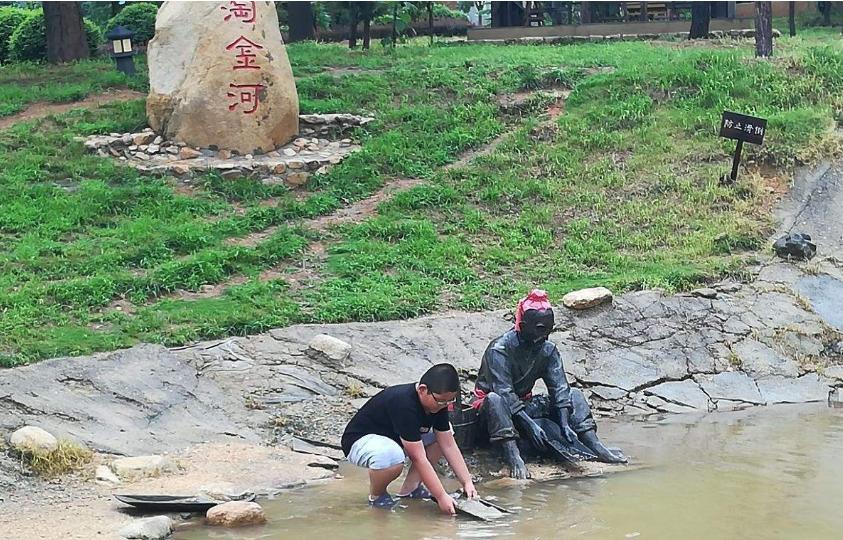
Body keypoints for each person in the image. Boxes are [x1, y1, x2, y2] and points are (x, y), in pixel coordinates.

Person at [473, 289, 626, 479]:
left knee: (574, 395)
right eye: (538, 329)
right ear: (522, 325)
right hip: (494, 413)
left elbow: (559, 388)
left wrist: (564, 423)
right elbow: (504, 392)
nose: (542, 336)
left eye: (547, 329)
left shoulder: (548, 350)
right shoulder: (499, 350)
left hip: (524, 406)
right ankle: (513, 456)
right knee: (495, 399)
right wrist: (530, 426)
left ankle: (594, 445)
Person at [341, 363, 478, 514]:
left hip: (395, 440)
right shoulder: (404, 403)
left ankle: (410, 489)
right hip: (360, 442)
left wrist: (467, 482)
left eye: (449, 401)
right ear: (422, 390)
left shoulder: (439, 404)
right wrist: (441, 496)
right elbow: (418, 457)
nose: (444, 405)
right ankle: (377, 495)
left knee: (447, 433)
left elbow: (448, 444)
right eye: (441, 401)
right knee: (392, 456)